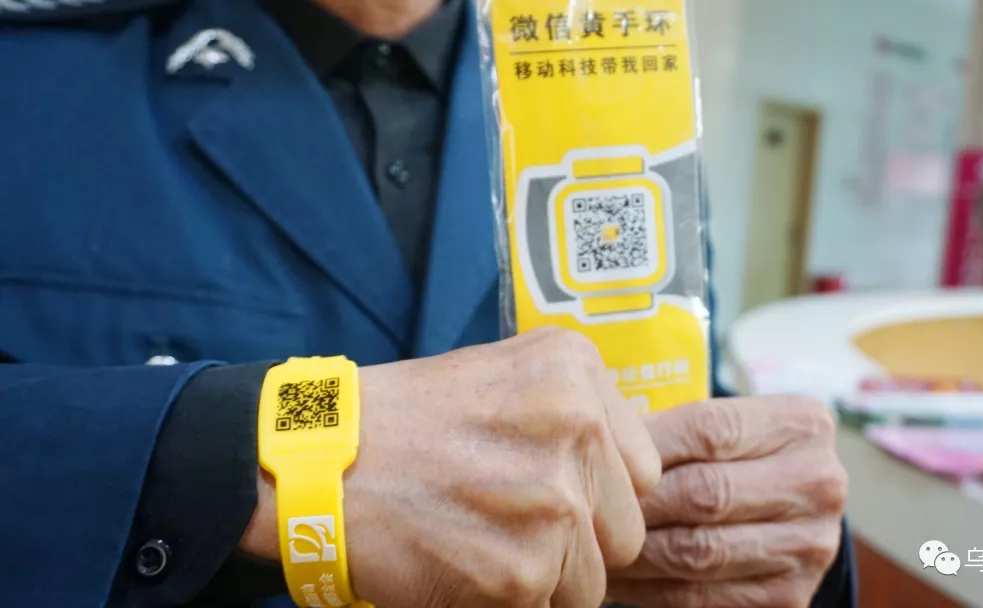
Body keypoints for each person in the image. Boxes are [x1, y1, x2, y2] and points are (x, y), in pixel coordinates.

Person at [0, 0, 853, 606]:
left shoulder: (611, 102)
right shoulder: (34, 80)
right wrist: (268, 458)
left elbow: (651, 425)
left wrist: (759, 529)